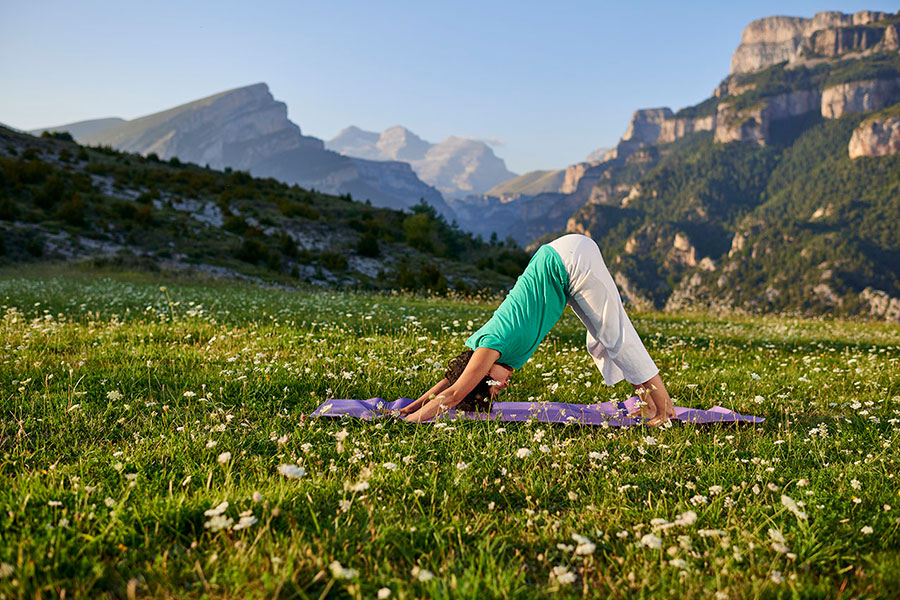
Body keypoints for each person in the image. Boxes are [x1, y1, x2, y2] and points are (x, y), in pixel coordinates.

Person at [401, 234, 675, 425]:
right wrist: (410, 407)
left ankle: (664, 410)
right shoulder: (491, 354)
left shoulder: (490, 347)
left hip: (568, 261)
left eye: (493, 387)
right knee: (602, 339)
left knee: (617, 335)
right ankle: (649, 403)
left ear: (483, 372)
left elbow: (455, 393)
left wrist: (409, 425)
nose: (503, 385)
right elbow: (451, 380)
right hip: (562, 263)